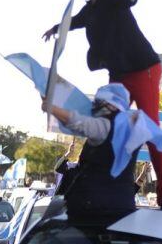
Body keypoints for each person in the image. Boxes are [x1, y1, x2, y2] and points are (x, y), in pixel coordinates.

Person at [42, 0, 162, 209]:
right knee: (105, 125)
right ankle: (93, 179)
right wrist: (55, 28)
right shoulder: (90, 9)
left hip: (143, 68)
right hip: (118, 74)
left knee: (149, 126)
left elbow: (129, 1)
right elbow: (75, 22)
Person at [42, 83, 142, 218]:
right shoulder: (133, 130)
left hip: (93, 212)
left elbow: (78, 122)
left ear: (112, 106)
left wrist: (52, 108)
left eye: (99, 103)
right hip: (122, 210)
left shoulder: (106, 126)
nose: (95, 107)